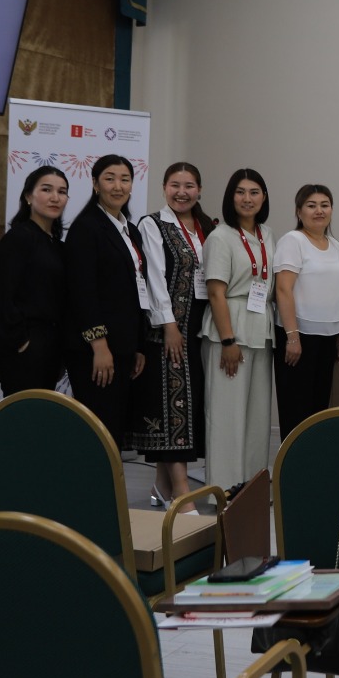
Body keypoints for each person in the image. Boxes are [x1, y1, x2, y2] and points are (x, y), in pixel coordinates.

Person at [133, 161, 213, 505]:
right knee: (173, 407)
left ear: (199, 190)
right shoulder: (152, 224)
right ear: (164, 188)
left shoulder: (207, 228)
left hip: (198, 329)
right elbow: (153, 276)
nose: (182, 192)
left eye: (189, 186)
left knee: (185, 407)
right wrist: (168, 325)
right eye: (175, 185)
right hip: (168, 330)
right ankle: (182, 493)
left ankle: (161, 488)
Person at [63, 154, 149, 448]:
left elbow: (135, 292)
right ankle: (93, 479)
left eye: (125, 179)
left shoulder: (130, 230)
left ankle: (110, 478)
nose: (118, 186)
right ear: (95, 184)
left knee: (114, 428)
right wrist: (99, 345)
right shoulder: (86, 227)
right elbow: (81, 291)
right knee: (97, 428)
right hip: (95, 350)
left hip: (123, 345)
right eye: (110, 179)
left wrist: (138, 345)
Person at [200, 169, 276, 488]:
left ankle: (252, 488)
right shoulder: (220, 236)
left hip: (261, 328)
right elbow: (216, 292)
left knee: (258, 416)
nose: (247, 198)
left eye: (254, 192)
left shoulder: (266, 234)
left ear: (264, 197)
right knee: (227, 415)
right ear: (230, 197)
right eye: (240, 192)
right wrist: (228, 340)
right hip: (229, 327)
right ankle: (224, 490)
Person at [273, 184, 339, 439]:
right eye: (311, 205)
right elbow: (283, 289)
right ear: (299, 211)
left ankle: (313, 462)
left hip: (327, 339)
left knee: (318, 411)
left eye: (324, 205)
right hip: (298, 338)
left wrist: (337, 335)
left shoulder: (334, 244)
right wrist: (292, 336)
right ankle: (291, 463)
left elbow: (332, 291)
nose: (319, 211)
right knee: (297, 410)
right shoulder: (293, 241)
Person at [0, 165, 68, 396]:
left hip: (52, 345)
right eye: (46, 189)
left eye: (62, 192)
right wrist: (21, 340)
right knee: (24, 413)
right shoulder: (18, 238)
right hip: (25, 346)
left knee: (43, 414)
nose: (55, 197)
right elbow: (1, 294)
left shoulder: (58, 245)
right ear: (28, 196)